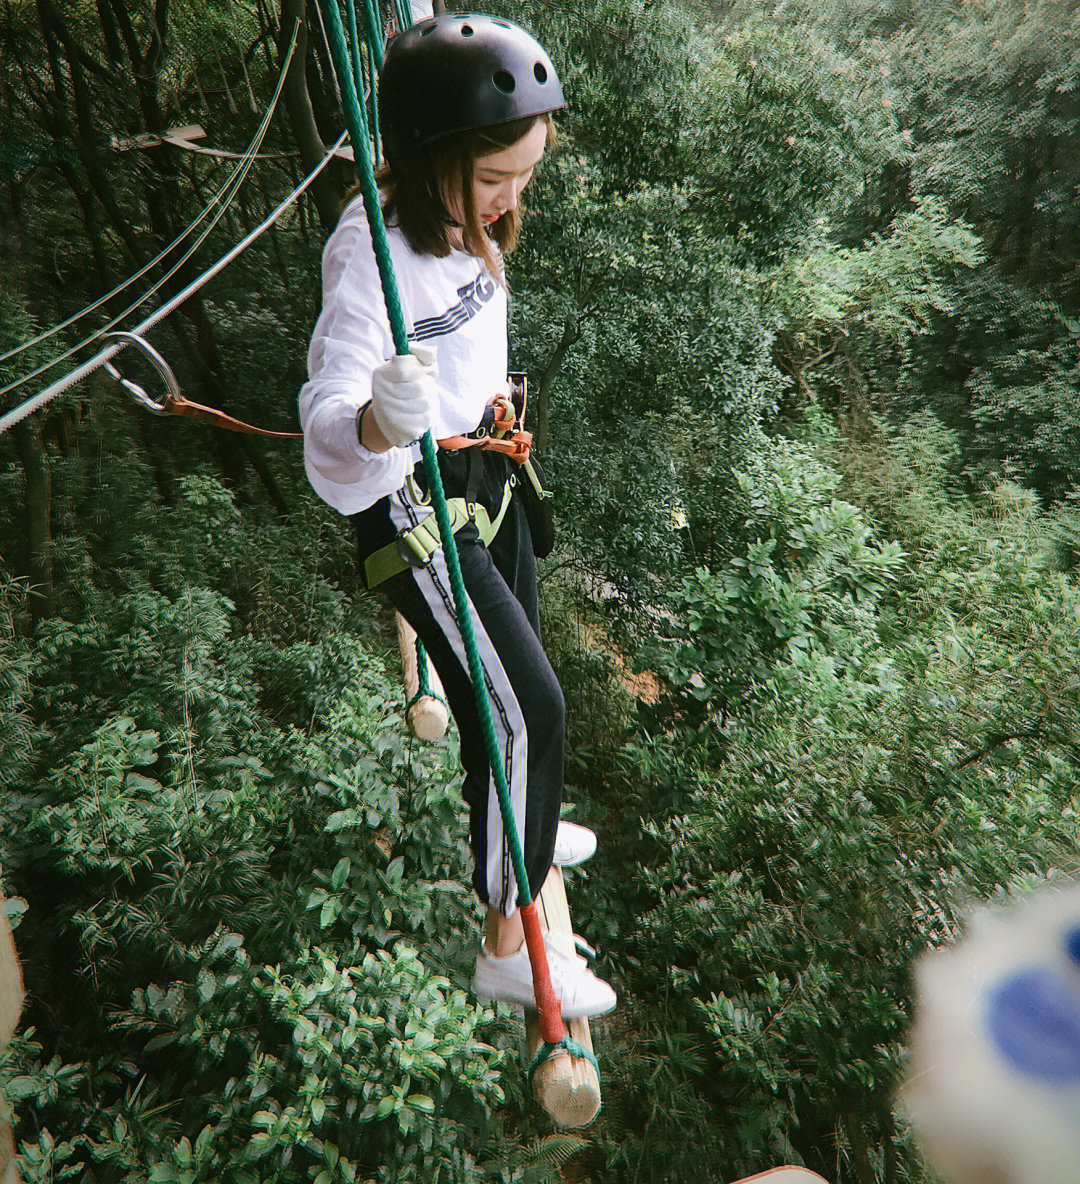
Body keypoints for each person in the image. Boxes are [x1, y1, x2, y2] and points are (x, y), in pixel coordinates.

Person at [299, 13, 616, 1020]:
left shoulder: (467, 221)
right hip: (414, 506)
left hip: (485, 477)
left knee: (515, 690)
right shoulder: (374, 256)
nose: (509, 201)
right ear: (434, 157)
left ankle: (518, 813)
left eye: (523, 178)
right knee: (531, 702)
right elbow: (326, 424)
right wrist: (372, 419)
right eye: (493, 183)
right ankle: (506, 936)